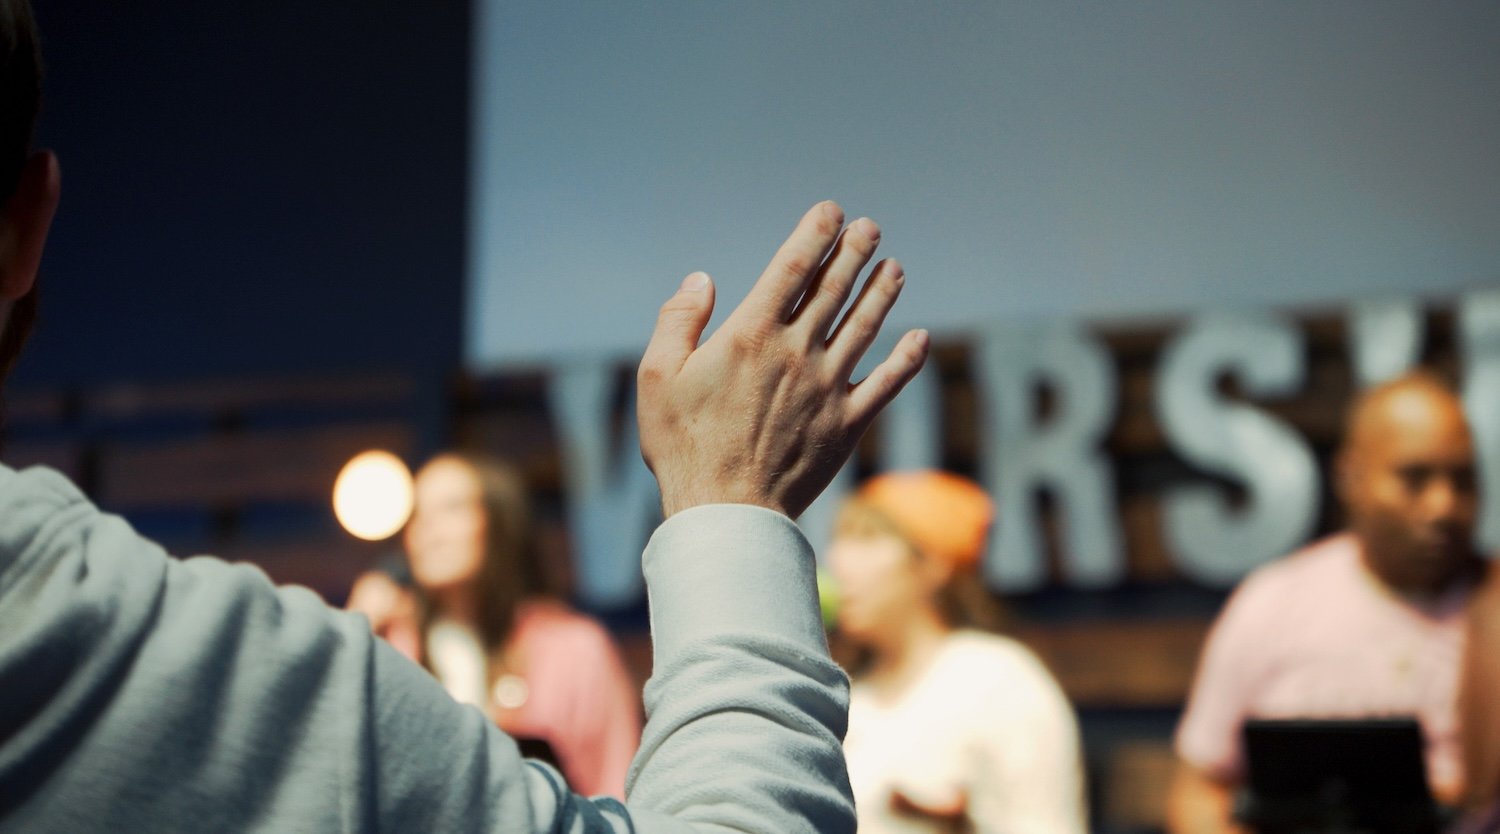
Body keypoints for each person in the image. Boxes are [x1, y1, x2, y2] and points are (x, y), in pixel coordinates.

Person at [0, 2, 932, 828]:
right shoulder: (315, 655)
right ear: (30, 224)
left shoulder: (549, 653)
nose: (431, 529)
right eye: (424, 509)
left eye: (457, 509)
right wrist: (735, 499)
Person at [1167, 371, 1486, 833]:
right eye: (1415, 479)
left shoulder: (1492, 605)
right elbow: (1200, 787)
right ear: (1351, 478)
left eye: (1463, 480)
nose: (1443, 506)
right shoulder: (1274, 603)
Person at [828, 470, 1088, 834]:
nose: (839, 560)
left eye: (868, 538)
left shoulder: (999, 679)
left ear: (934, 564)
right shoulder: (846, 695)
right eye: (840, 539)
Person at [398, 452, 640, 798]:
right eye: (417, 515)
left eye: (451, 508)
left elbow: (614, 780)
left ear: (499, 522)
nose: (427, 529)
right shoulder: (396, 647)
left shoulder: (573, 647)